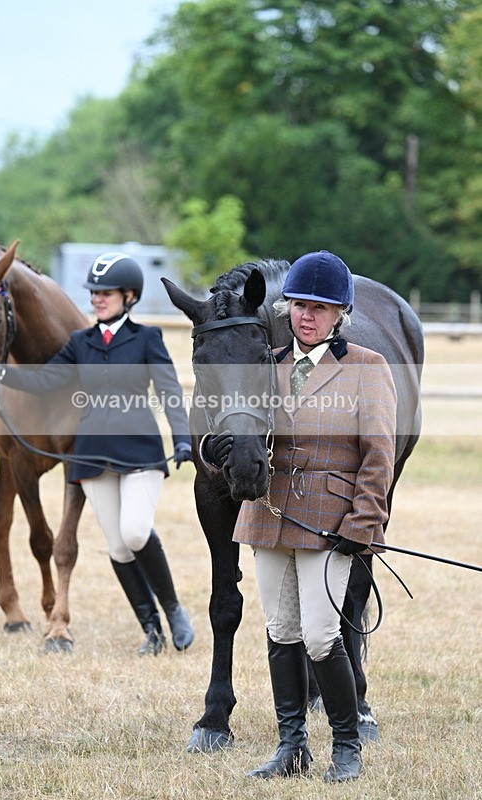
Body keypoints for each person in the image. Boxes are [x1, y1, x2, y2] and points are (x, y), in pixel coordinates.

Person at [202, 250, 397, 782]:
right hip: (269, 518)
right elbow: (231, 433)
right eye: (299, 306)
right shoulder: (267, 363)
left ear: (341, 315)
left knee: (319, 634)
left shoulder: (368, 368)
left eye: (321, 307)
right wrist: (212, 452)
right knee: (281, 629)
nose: (307, 316)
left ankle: (347, 745)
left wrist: (363, 524)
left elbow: (379, 455)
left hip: (330, 524)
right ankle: (292, 746)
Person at [1, 251, 194, 657]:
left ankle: (174, 608)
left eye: (105, 293)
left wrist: (182, 438)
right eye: (94, 293)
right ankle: (151, 629)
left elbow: (169, 390)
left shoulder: (147, 339)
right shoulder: (80, 343)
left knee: (136, 532)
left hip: (139, 451)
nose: (97, 299)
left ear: (129, 296)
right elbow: (45, 381)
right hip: (92, 458)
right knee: (118, 548)